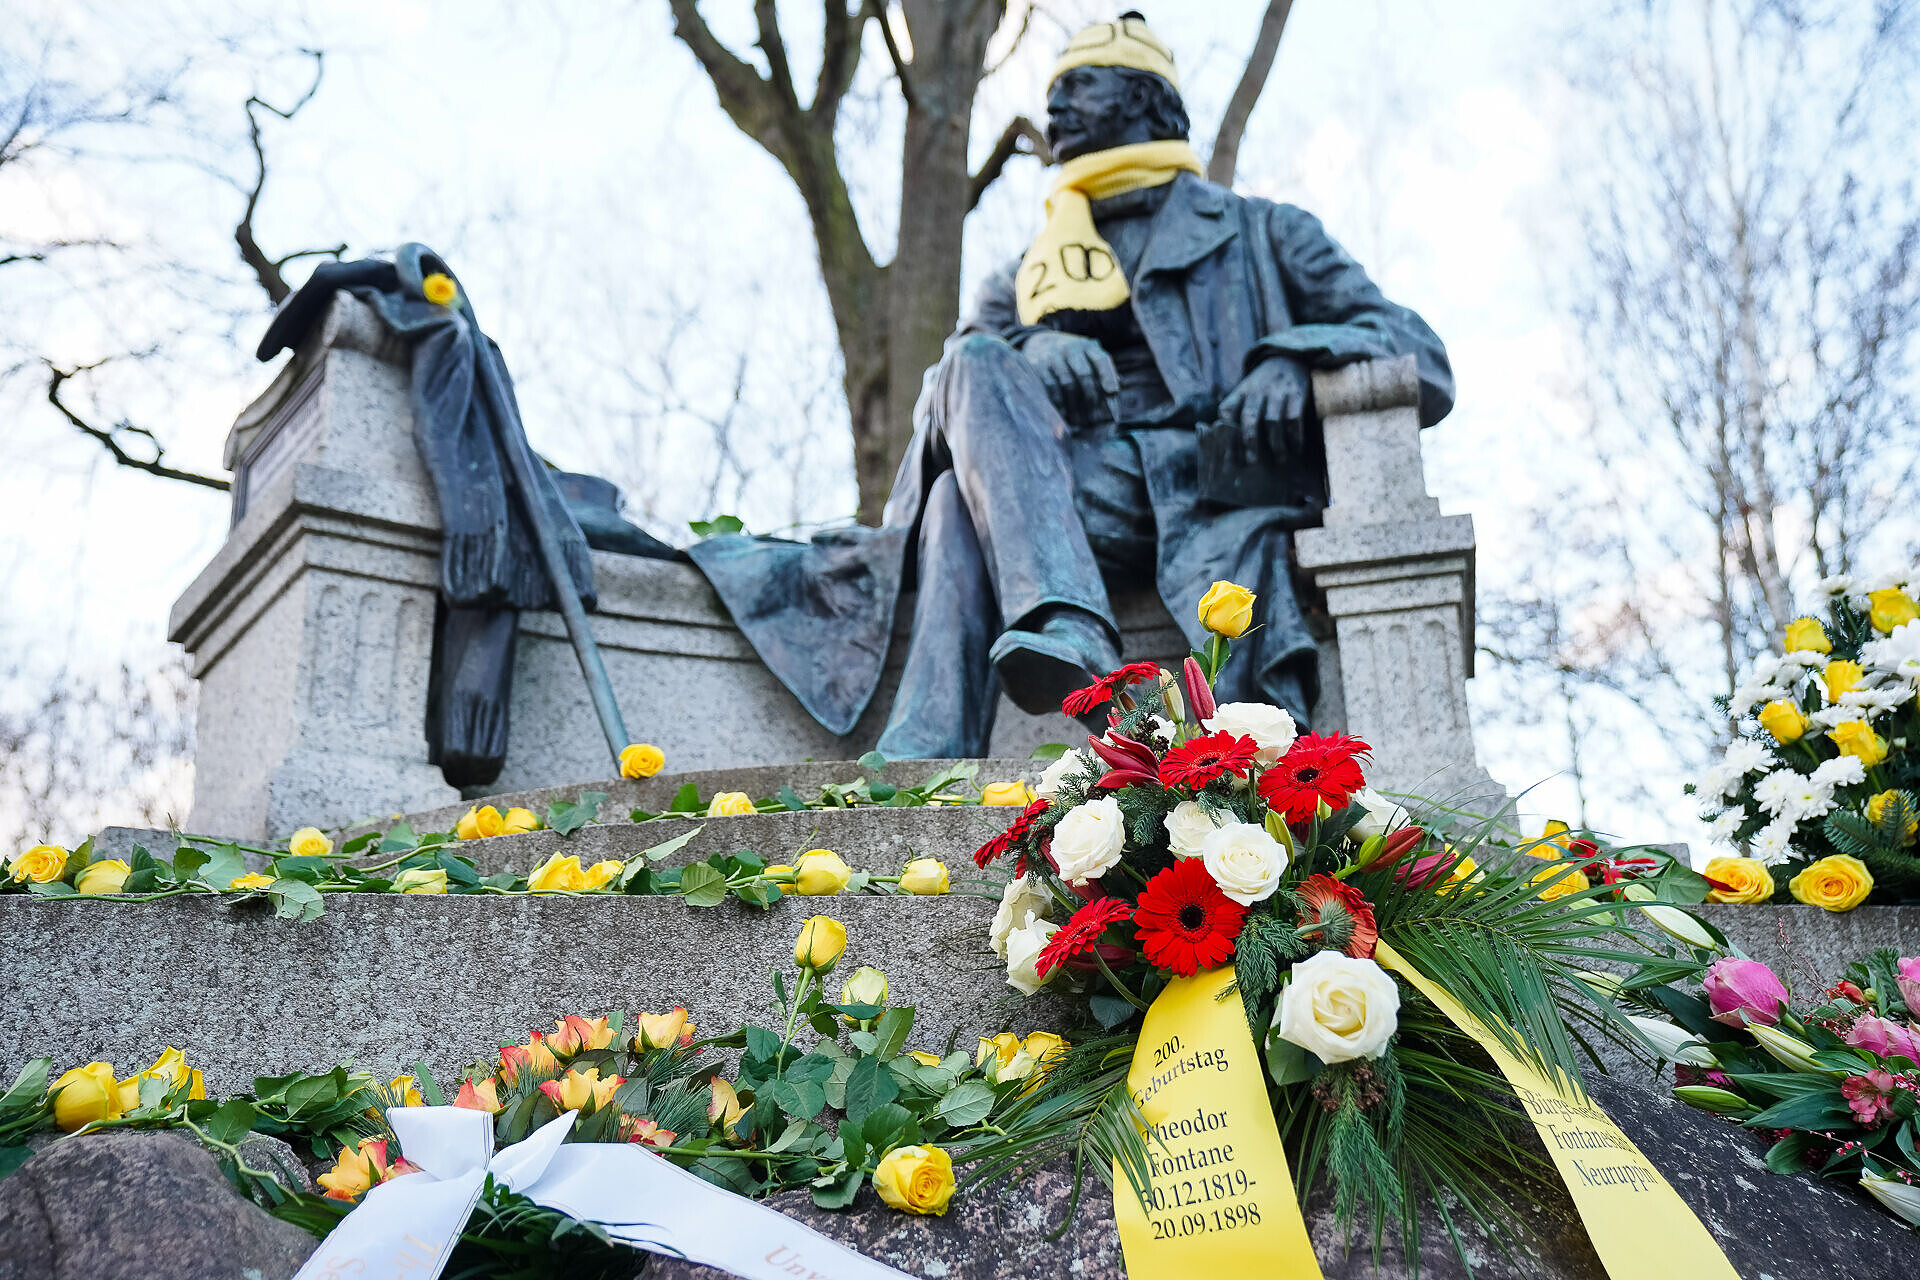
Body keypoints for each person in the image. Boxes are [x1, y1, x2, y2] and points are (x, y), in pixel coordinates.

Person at [690, 12, 1452, 758]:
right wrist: (1034, 344)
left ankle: (941, 732)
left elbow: (1419, 352)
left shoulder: (1264, 233)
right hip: (1068, 500)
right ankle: (1044, 648)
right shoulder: (1031, 272)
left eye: (1080, 85)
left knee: (962, 485)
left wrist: (1294, 356)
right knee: (963, 423)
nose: (1055, 105)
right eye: (1053, 90)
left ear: (1145, 96)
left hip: (1214, 493)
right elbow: (946, 401)